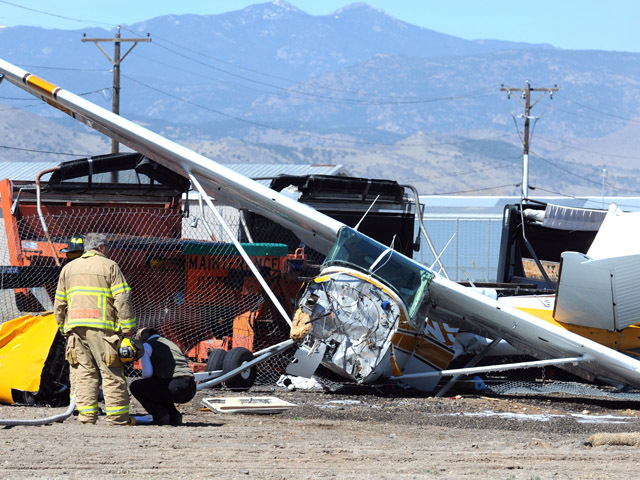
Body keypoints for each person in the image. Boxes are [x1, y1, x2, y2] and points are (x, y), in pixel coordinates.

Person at [54, 232, 136, 425]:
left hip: (75, 329)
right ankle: (117, 418)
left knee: (83, 373)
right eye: (107, 246)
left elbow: (59, 303)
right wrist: (127, 328)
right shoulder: (110, 266)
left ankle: (86, 417)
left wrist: (63, 328)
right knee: (111, 372)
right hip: (104, 330)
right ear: (100, 247)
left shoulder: (69, 268)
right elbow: (122, 298)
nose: (108, 250)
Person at [129, 327, 196, 426]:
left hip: (175, 387)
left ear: (142, 339)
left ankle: (160, 415)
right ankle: (174, 416)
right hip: (191, 387)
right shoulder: (170, 343)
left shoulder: (147, 346)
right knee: (159, 386)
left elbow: (147, 374)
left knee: (136, 386)